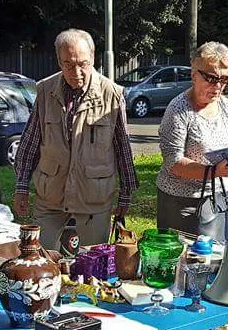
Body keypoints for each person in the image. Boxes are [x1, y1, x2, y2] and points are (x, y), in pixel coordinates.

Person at [13, 29, 138, 250]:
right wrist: (21, 187)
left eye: (83, 64)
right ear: (59, 61)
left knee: (93, 260)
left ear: (93, 58)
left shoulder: (112, 94)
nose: (76, 72)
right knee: (40, 257)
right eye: (68, 64)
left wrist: (125, 195)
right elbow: (30, 142)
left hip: (94, 197)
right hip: (50, 194)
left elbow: (122, 148)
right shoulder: (45, 90)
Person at [156, 41, 228, 238]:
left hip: (220, 197)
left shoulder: (225, 105)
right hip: (182, 203)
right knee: (188, 256)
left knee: (218, 253)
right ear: (194, 75)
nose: (218, 86)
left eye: (224, 79)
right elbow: (173, 162)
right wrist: (213, 171)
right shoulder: (178, 109)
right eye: (211, 78)